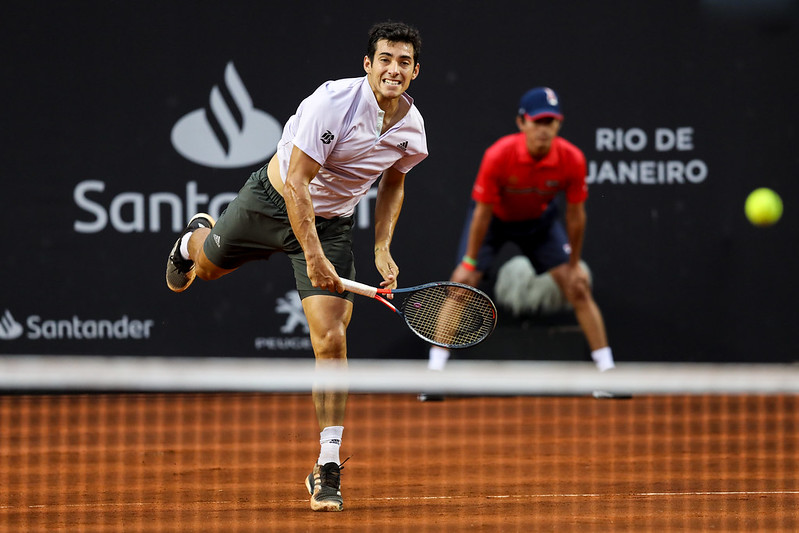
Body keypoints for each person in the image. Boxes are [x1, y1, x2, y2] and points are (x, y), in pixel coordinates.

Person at [165, 21, 426, 511]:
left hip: (333, 225)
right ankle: (192, 240)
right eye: (385, 59)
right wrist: (312, 256)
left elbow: (394, 181)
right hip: (272, 200)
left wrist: (381, 246)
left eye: (404, 61)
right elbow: (300, 182)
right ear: (368, 65)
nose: (394, 69)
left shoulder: (412, 128)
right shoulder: (331, 103)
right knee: (207, 269)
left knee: (332, 339)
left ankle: (327, 465)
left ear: (415, 71)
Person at [423, 87, 615, 394]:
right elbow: (482, 213)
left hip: (539, 223)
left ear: (559, 124)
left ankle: (607, 373)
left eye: (549, 122)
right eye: (537, 121)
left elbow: (576, 216)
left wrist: (575, 264)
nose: (543, 129)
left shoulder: (572, 159)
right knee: (461, 285)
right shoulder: (499, 155)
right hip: (494, 221)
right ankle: (433, 375)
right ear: (521, 122)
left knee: (577, 285)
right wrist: (470, 262)